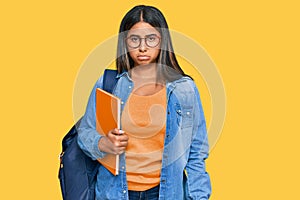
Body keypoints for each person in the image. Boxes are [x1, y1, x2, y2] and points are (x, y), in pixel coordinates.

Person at [77, 5, 211, 200]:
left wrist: (199, 197)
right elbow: (84, 135)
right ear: (125, 42)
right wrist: (103, 143)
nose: (142, 47)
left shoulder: (184, 89)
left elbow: (196, 152)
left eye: (151, 39)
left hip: (165, 193)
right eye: (134, 39)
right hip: (114, 193)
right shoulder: (108, 84)